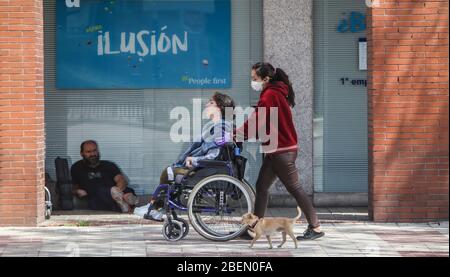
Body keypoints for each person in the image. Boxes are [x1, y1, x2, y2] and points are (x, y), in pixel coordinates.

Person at [235, 62, 324, 240]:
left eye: (255, 79)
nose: (253, 82)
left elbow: (257, 120)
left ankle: (315, 227)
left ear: (266, 79)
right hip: (277, 150)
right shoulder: (274, 93)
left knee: (295, 188)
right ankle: (254, 229)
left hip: (282, 151)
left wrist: (237, 134)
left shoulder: (270, 95)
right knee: (261, 187)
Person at [142, 92, 235, 221]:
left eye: (211, 102)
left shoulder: (221, 126)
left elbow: (215, 154)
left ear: (220, 108)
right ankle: (157, 207)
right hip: (208, 168)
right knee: (170, 173)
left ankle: (155, 208)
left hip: (208, 169)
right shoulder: (217, 125)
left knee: (167, 173)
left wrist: (195, 160)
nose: (207, 104)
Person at [71, 140, 139, 213]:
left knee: (125, 190)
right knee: (101, 193)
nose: (93, 154)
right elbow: (72, 186)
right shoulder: (77, 167)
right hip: (97, 196)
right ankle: (126, 202)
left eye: (95, 150)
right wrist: (77, 191)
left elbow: (121, 180)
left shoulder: (108, 165)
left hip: (116, 191)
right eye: (88, 152)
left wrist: (117, 192)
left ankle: (125, 199)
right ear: (82, 153)